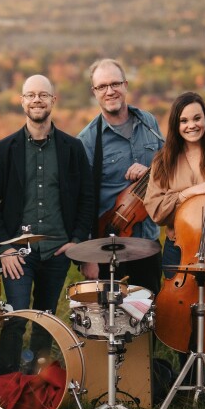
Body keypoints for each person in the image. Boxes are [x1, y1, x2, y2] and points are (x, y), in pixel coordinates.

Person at [0, 74, 94, 375]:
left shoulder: (73, 148)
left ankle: (37, 386)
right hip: (18, 254)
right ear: (22, 101)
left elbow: (87, 199)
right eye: (30, 95)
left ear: (53, 100)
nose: (37, 100)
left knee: (46, 320)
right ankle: (5, 386)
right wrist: (3, 251)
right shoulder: (5, 148)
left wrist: (77, 239)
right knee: (17, 317)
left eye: (43, 95)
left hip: (58, 250)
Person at [143, 91, 205, 384]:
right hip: (180, 250)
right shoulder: (163, 161)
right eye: (184, 120)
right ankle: (188, 380)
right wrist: (192, 192)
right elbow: (156, 210)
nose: (191, 125)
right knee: (181, 314)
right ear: (176, 124)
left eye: (197, 118)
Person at [77, 59, 164, 294]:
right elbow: (80, 202)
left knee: (150, 318)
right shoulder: (86, 141)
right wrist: (87, 258)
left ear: (125, 85)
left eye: (115, 83)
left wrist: (150, 173)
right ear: (94, 92)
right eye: (102, 86)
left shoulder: (149, 123)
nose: (110, 91)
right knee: (111, 324)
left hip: (148, 243)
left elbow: (170, 170)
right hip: (108, 248)